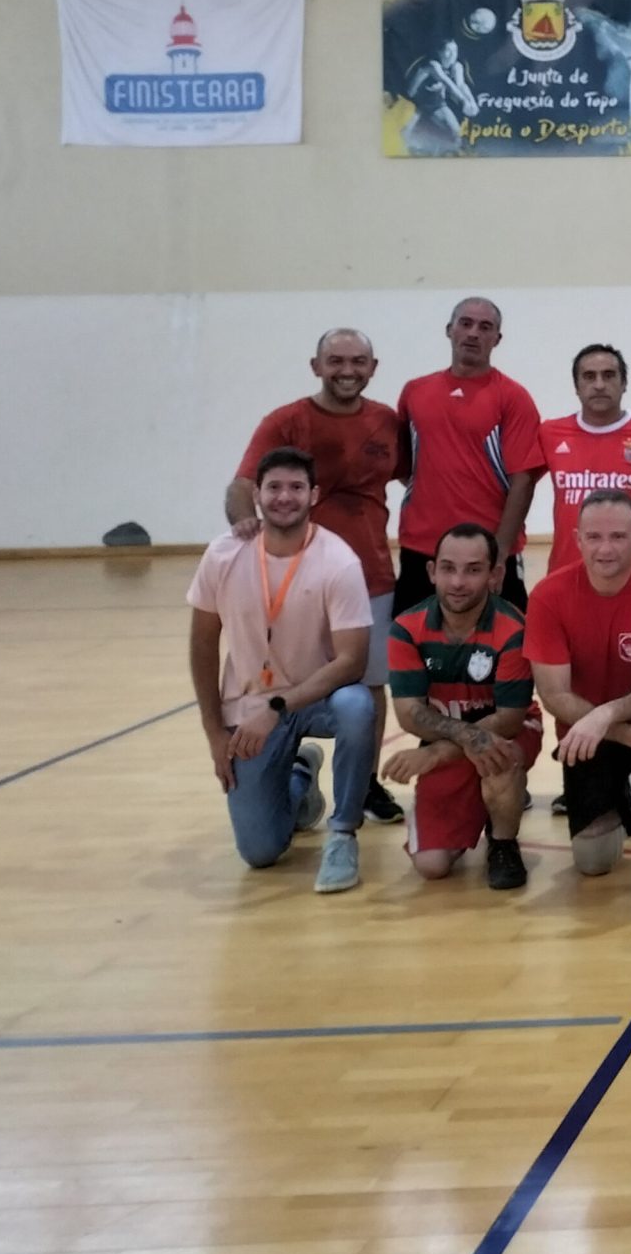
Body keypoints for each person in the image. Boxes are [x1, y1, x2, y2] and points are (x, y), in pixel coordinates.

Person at [228, 326, 406, 827]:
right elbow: (242, 484)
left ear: (373, 368)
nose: (347, 371)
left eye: (357, 362)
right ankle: (292, 766)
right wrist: (243, 527)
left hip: (371, 578)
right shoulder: (286, 421)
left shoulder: (388, 422)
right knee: (287, 683)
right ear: (316, 366)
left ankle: (363, 784)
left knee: (368, 687)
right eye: (336, 361)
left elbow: (420, 476)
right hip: (296, 586)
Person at [186, 448, 377, 893]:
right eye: (274, 487)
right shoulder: (224, 555)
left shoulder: (339, 561)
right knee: (260, 852)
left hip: (318, 698)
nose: (284, 497)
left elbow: (352, 660)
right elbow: (202, 645)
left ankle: (343, 834)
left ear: (314, 495)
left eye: (296, 487)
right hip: (251, 707)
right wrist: (215, 733)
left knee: (357, 706)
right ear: (257, 494)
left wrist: (278, 707)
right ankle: (300, 778)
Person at [525, 491, 631, 919]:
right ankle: (627, 797)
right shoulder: (548, 595)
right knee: (594, 861)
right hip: (588, 727)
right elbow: (554, 695)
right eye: (595, 537)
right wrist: (620, 732)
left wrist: (609, 714)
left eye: (618, 537)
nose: (606, 549)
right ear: (577, 539)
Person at [381, 523, 536, 892]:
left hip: (508, 733)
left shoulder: (514, 628)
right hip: (449, 737)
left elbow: (509, 719)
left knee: (498, 756)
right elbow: (409, 713)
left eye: (473, 570)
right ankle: (483, 805)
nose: (458, 582)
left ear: (495, 575)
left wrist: (435, 754)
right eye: (448, 568)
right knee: (431, 865)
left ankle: (503, 842)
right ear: (432, 571)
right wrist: (461, 740)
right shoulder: (406, 628)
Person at [394, 296, 543, 618]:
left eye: (485, 327)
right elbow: (405, 465)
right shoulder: (414, 392)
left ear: (497, 339)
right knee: (411, 641)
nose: (474, 333)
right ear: (449, 330)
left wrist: (499, 554)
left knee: (510, 644)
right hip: (421, 547)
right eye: (466, 323)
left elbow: (523, 481)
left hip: (487, 552)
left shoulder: (513, 397)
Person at [541, 343, 631, 579]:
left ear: (624, 383)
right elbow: (518, 485)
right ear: (576, 386)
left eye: (608, 375)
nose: (599, 385)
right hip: (566, 575)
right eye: (589, 376)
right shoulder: (549, 433)